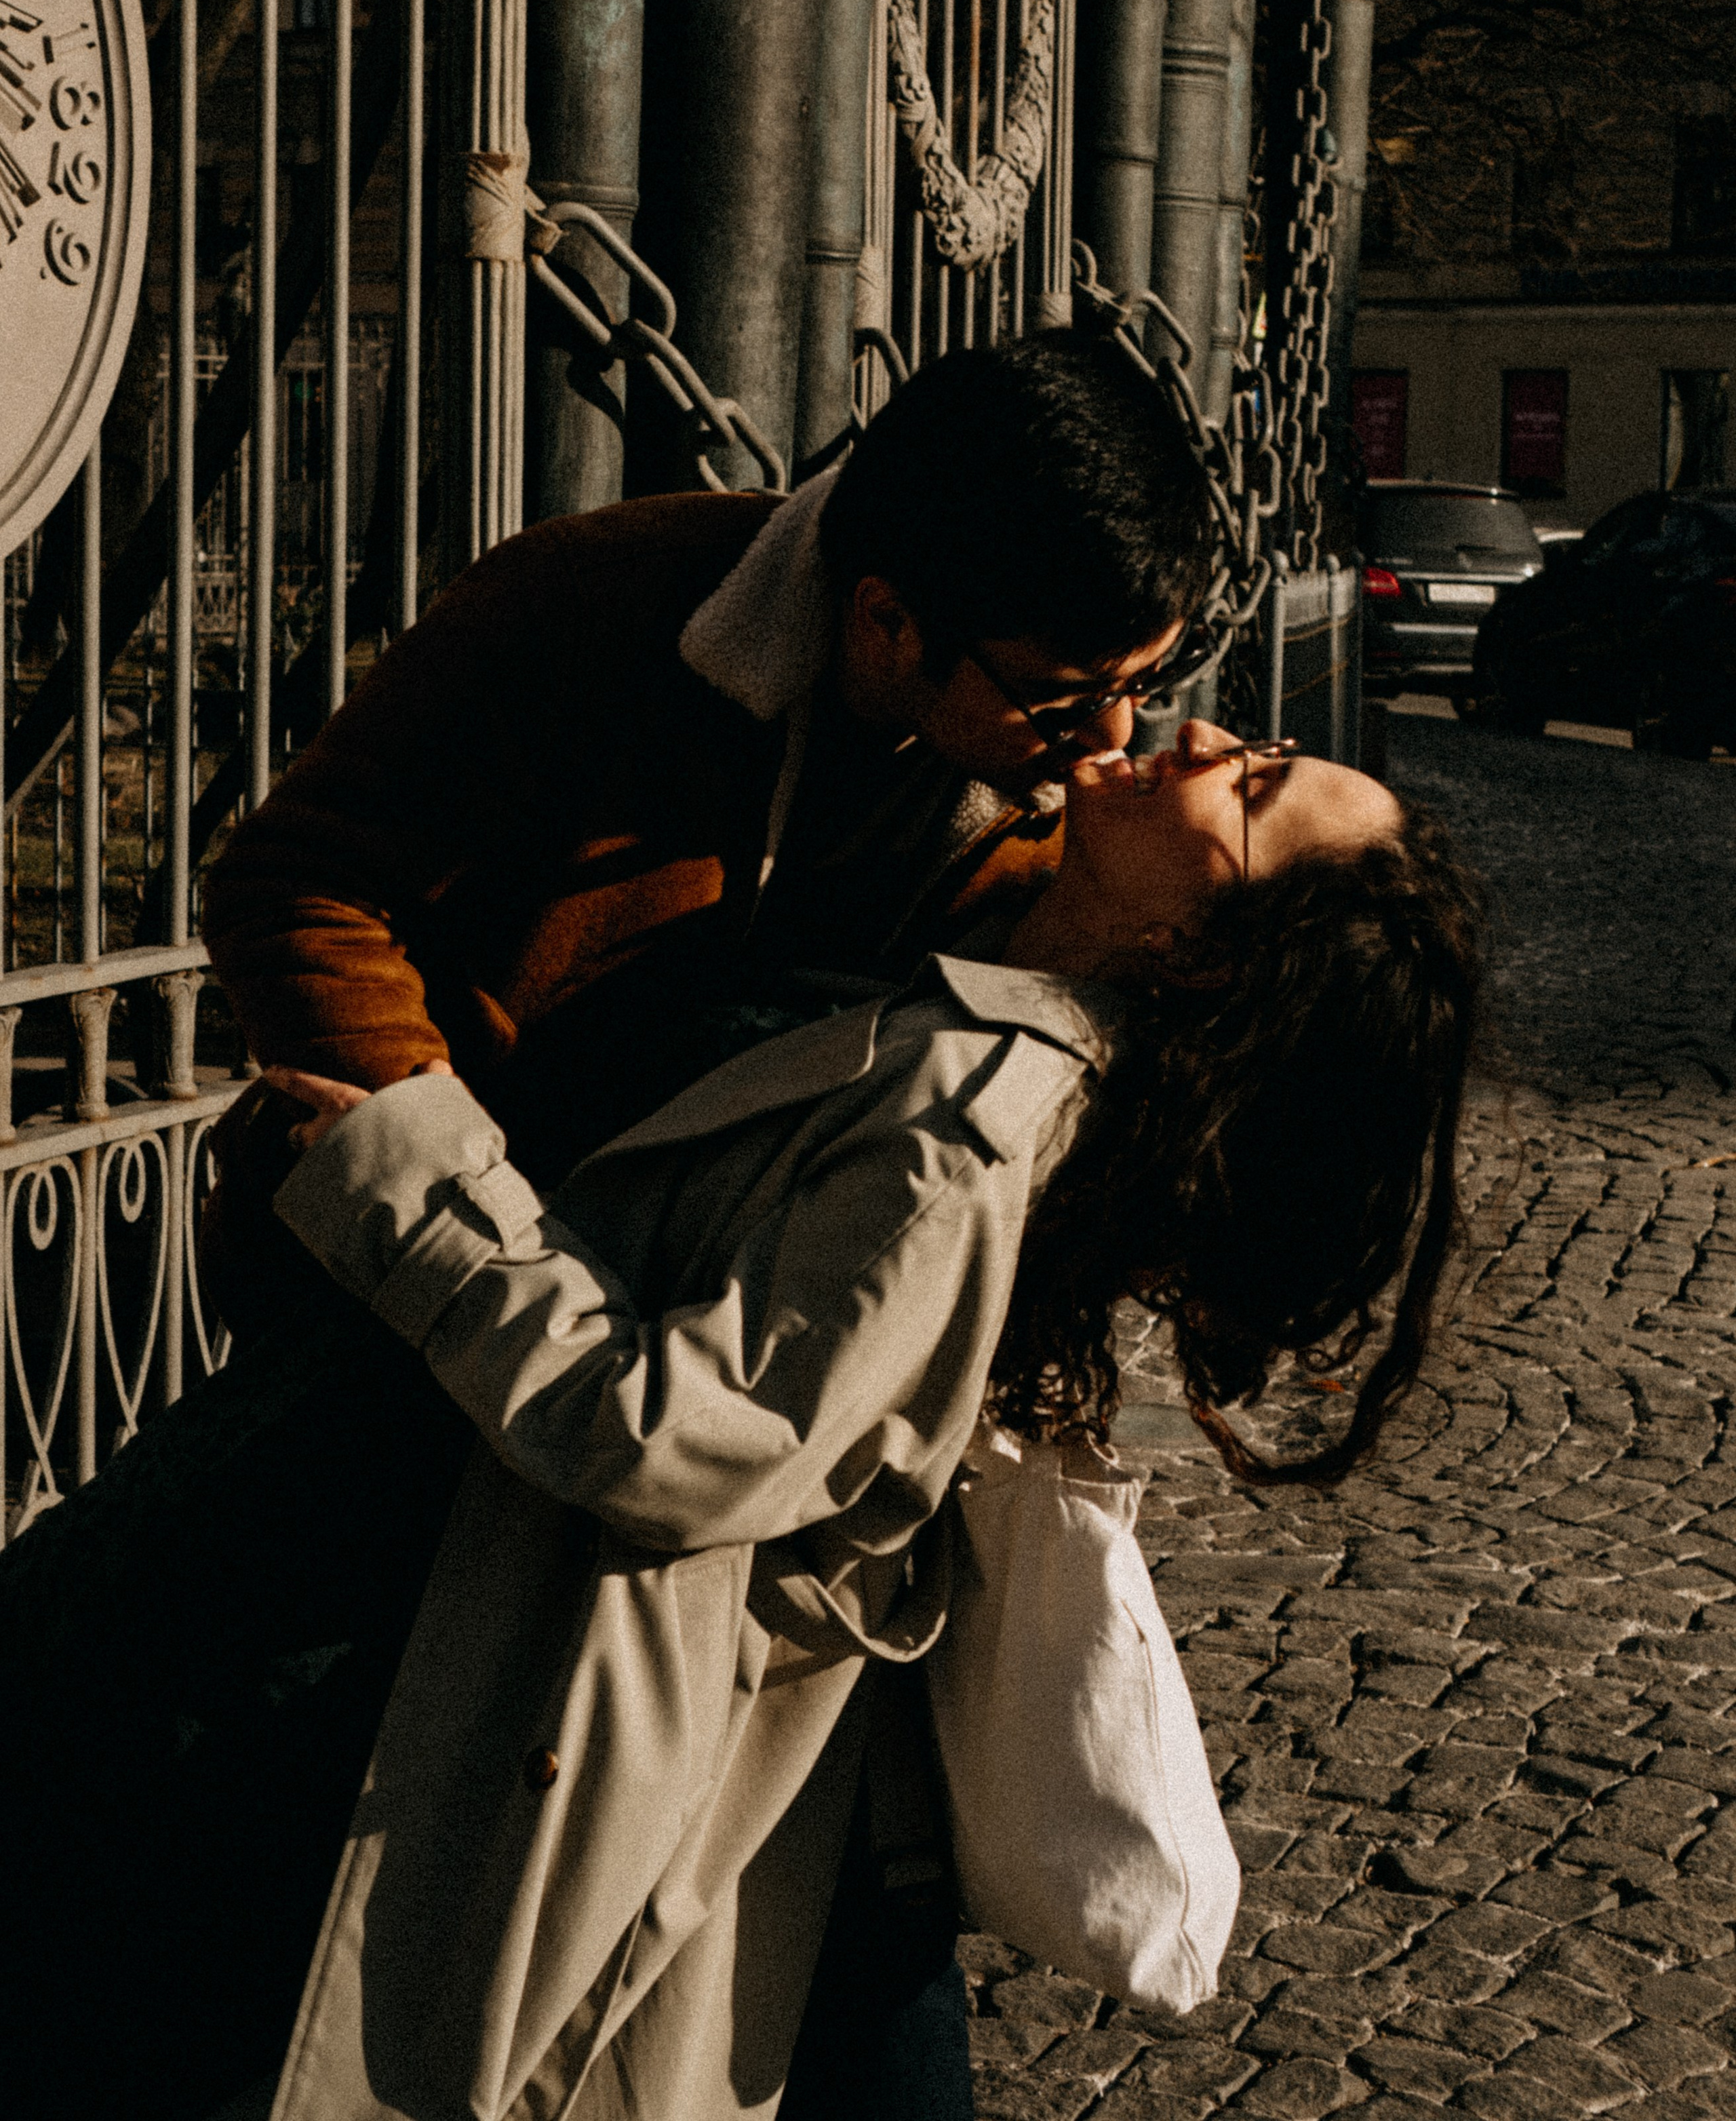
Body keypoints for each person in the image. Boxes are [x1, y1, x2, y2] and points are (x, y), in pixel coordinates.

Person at [188, 326, 1219, 2121]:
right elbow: (301, 876)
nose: (1104, 746)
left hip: (739, 1468)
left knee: (814, 1949)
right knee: (337, 1916)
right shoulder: (592, 613)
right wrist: (430, 1177)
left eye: (1146, 684)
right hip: (425, 1392)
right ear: (887, 622)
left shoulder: (1042, 797)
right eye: (1063, 701)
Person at [221, 722, 1484, 2121]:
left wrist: (407, 1178)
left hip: (566, 1682)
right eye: (1258, 748)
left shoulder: (972, 1114)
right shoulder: (956, 966)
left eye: (1246, 790)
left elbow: (679, 1440)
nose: (1200, 736)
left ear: (1195, 948)